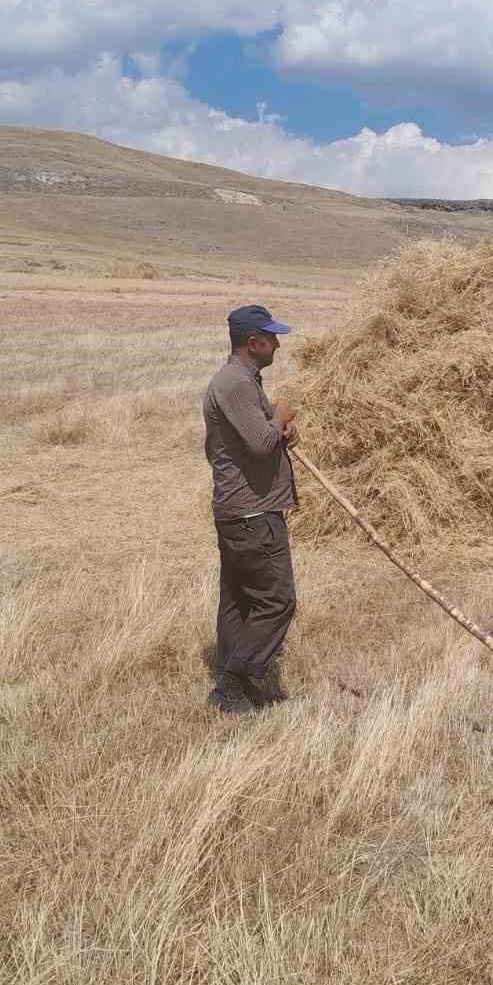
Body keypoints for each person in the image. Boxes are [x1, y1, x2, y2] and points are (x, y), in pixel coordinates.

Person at [202, 304, 301, 713]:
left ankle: (234, 688)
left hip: (240, 512)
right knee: (278, 601)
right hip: (252, 515)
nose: (277, 344)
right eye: (272, 338)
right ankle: (233, 682)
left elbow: (252, 439)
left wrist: (279, 430)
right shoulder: (235, 385)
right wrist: (279, 418)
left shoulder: (240, 380)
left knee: (239, 601)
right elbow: (260, 444)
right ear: (253, 342)